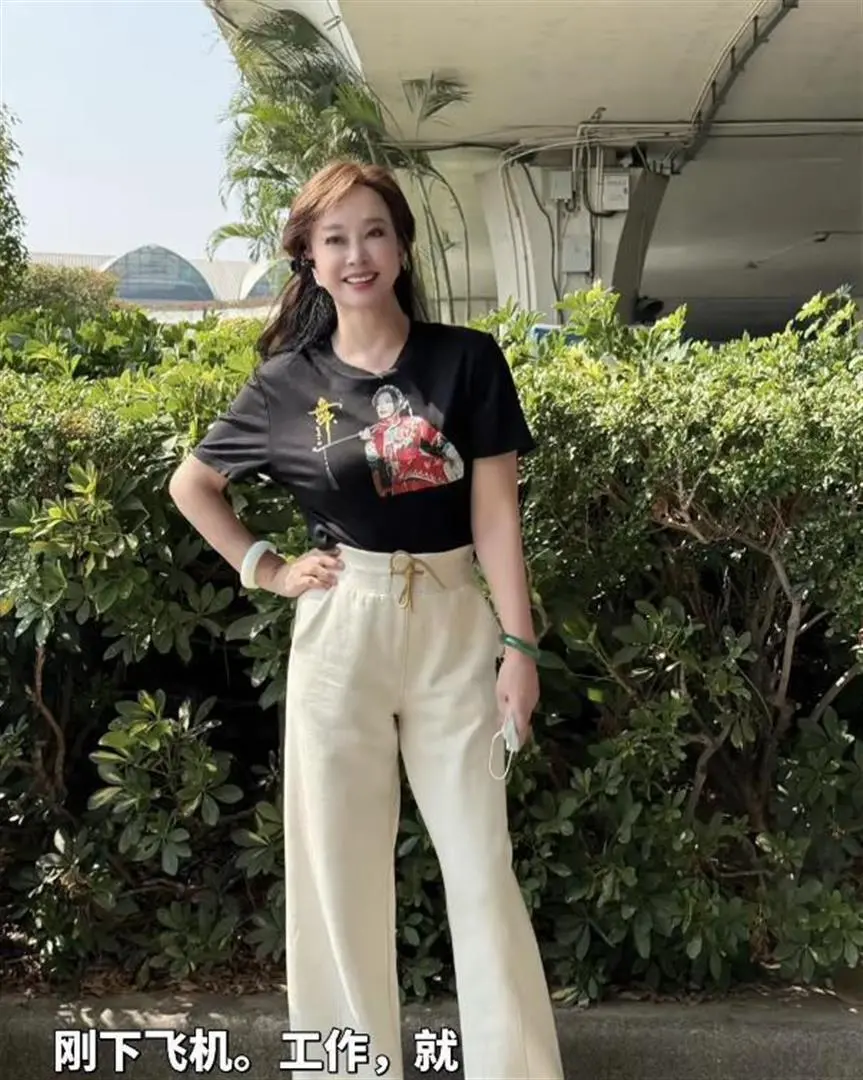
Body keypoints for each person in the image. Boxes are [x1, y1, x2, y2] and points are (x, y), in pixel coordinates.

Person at [168, 160, 564, 1080]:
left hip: (454, 626)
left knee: (481, 868)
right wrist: (266, 568)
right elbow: (194, 485)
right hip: (342, 630)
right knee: (337, 878)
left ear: (401, 247)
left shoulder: (465, 360)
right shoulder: (285, 383)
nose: (357, 255)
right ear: (307, 260)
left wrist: (517, 645)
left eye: (374, 232)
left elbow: (495, 515)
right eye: (335, 239)